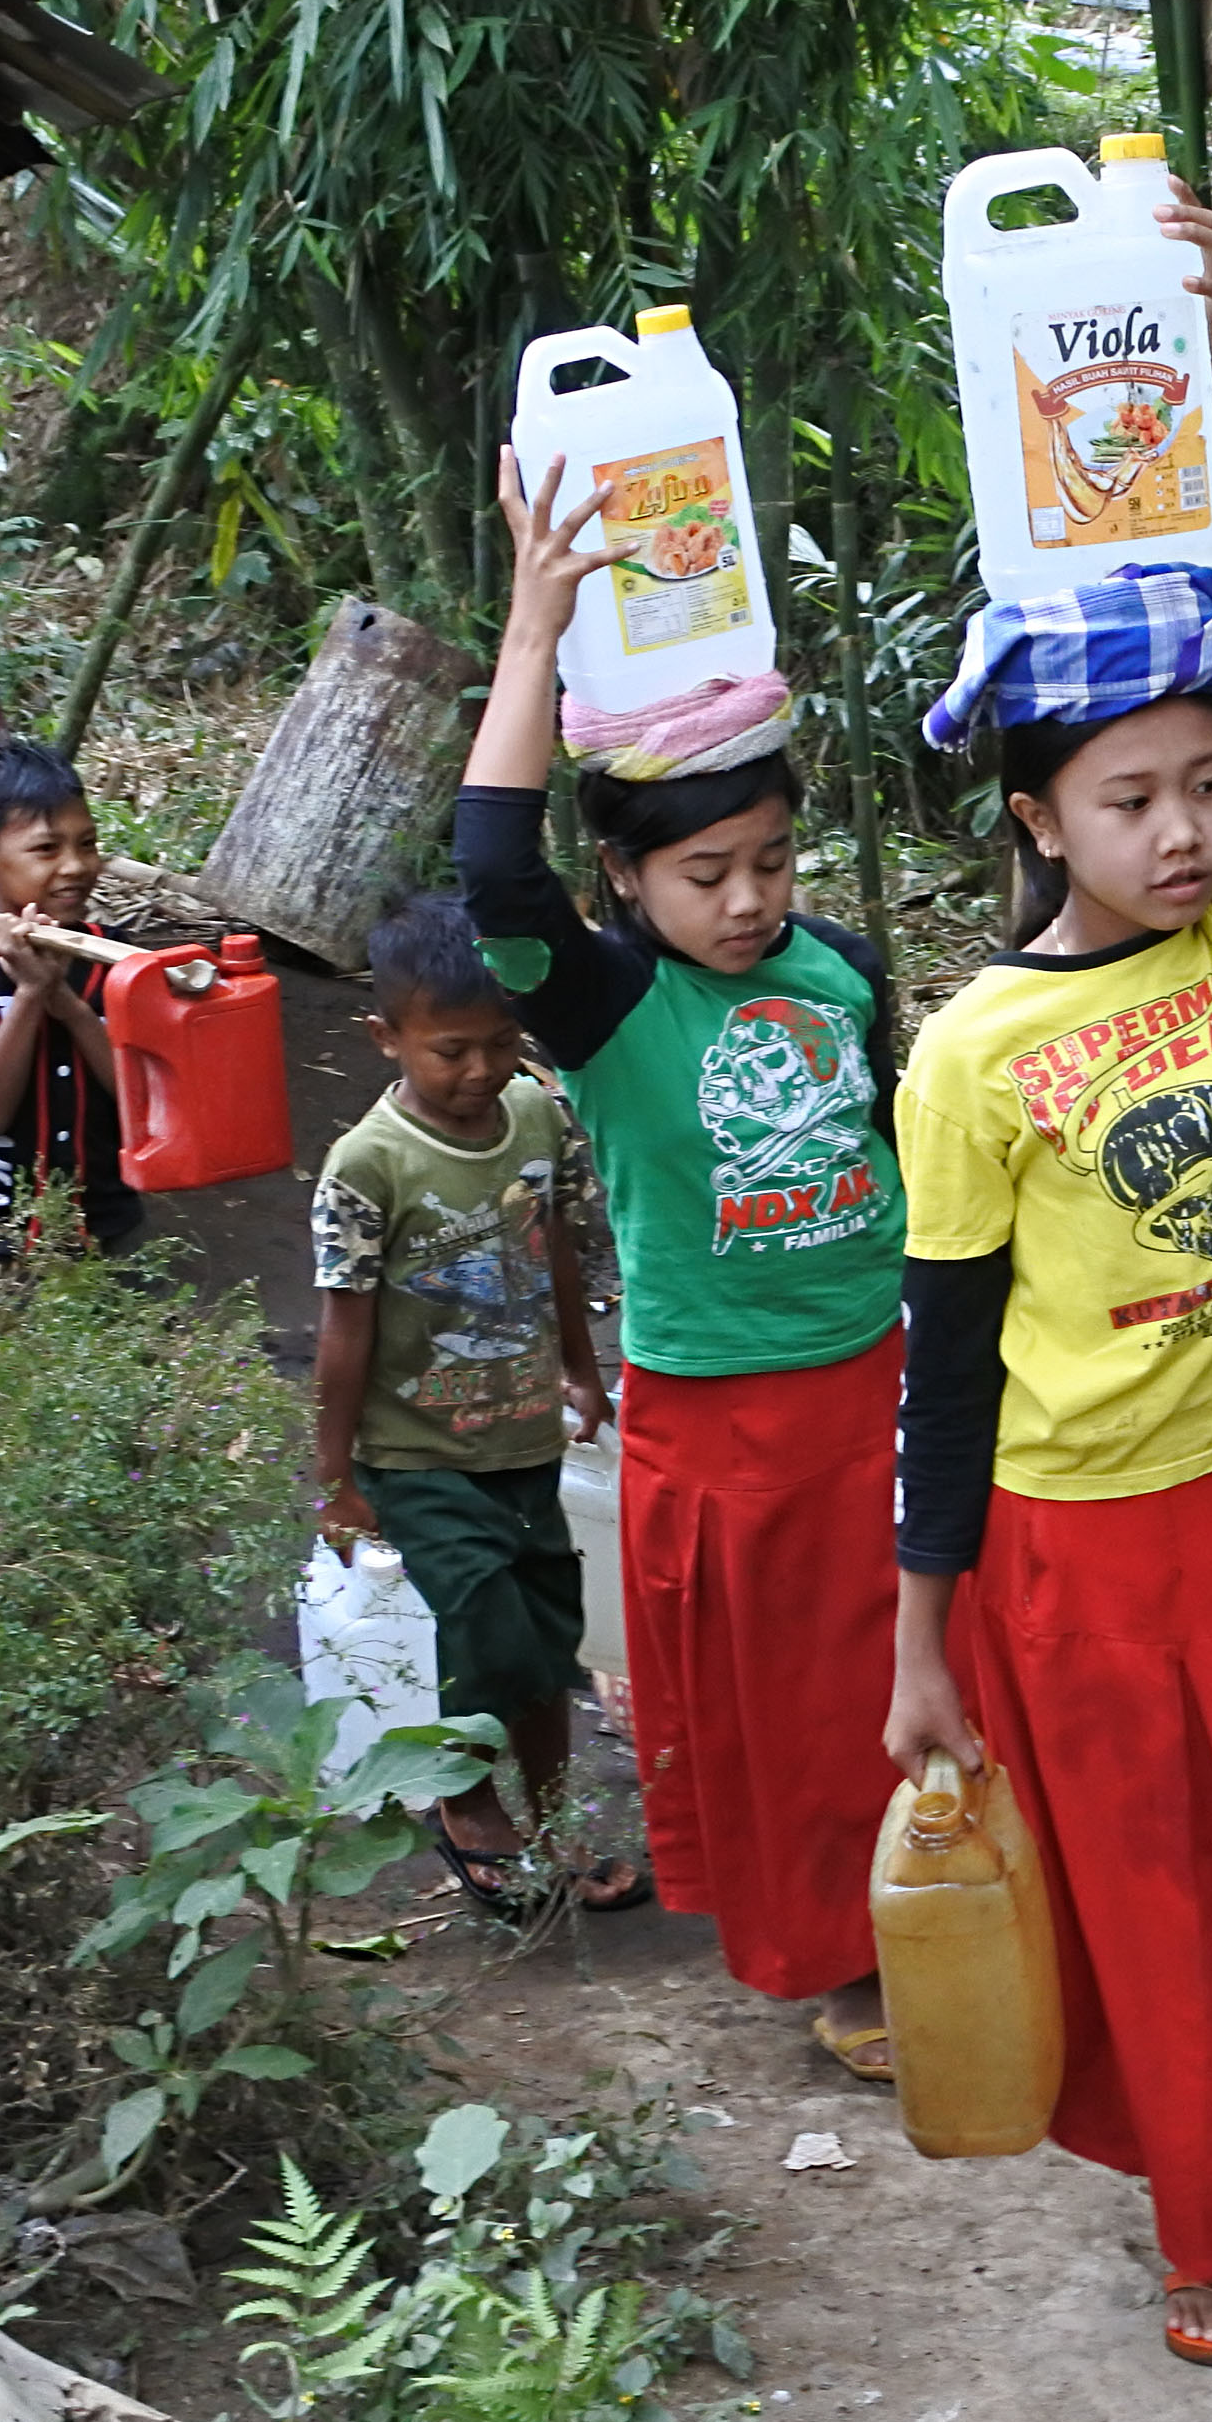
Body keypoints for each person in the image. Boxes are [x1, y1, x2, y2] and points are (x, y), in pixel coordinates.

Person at [884, 178, 1212, 2371]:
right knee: (1171, 1906)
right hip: (1077, 1551)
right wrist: (922, 1645)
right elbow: (934, 1368)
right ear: (1039, 815)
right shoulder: (970, 1052)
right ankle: (1211, 2220)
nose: (1187, 826)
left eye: (1203, 783)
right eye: (1133, 796)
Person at [449, 459, 910, 2058]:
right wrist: (533, 635)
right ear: (626, 886)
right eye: (705, 876)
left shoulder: (844, 972)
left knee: (915, 1677)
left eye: (771, 861)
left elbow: (892, 1155)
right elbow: (494, 875)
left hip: (883, 1385)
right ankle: (841, 1962)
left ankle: (938, 1911)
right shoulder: (611, 1005)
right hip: (728, 1418)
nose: (747, 901)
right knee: (796, 1718)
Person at [308, 894, 634, 1913]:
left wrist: (582, 1366)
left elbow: (558, 1255)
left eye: (500, 1043)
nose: (480, 1070)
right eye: (450, 1050)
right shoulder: (369, 1164)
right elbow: (343, 1327)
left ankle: (545, 1809)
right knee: (480, 1629)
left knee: (547, 1632)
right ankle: (470, 1800)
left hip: (525, 1432)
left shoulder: (537, 1116)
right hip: (417, 1452)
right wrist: (335, 1473)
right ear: (386, 1037)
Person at [0, 737, 138, 1250]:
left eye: (87, 844)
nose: (75, 866)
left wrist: (70, 1006)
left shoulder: (114, 957)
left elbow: (139, 1098)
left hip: (105, 1221)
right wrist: (33, 994)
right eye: (46, 849)